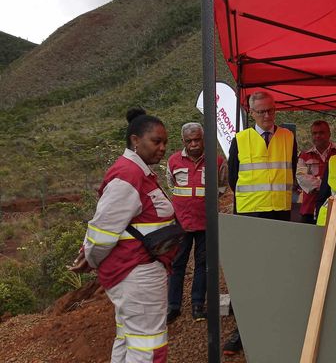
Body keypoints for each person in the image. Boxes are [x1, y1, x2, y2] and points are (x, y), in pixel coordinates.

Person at [70, 108, 175, 363]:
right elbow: (103, 229)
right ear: (135, 141)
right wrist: (90, 258)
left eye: (165, 143)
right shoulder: (128, 175)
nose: (162, 148)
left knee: (129, 338)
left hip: (138, 271)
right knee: (148, 346)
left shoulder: (138, 172)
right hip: (137, 273)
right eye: (156, 141)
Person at [225, 91, 298, 355]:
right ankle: (243, 331)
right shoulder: (240, 140)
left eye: (271, 110)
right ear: (251, 112)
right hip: (251, 216)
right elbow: (234, 179)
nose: (267, 116)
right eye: (261, 112)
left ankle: (277, 326)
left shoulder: (288, 137)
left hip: (279, 215)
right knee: (251, 274)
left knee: (277, 271)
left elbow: (291, 167)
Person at [166, 123, 227, 324]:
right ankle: (173, 306)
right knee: (177, 264)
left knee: (202, 264)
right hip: (181, 222)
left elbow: (221, 187)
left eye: (197, 139)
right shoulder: (173, 161)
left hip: (206, 222)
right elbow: (171, 184)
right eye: (189, 140)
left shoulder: (217, 162)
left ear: (204, 138)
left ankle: (197, 305)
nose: (193, 144)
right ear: (183, 141)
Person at [296, 120, 336, 224]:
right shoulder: (304, 156)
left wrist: (317, 183)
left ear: (329, 134)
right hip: (309, 210)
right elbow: (301, 178)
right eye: (314, 133)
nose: (317, 136)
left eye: (321, 133)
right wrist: (327, 185)